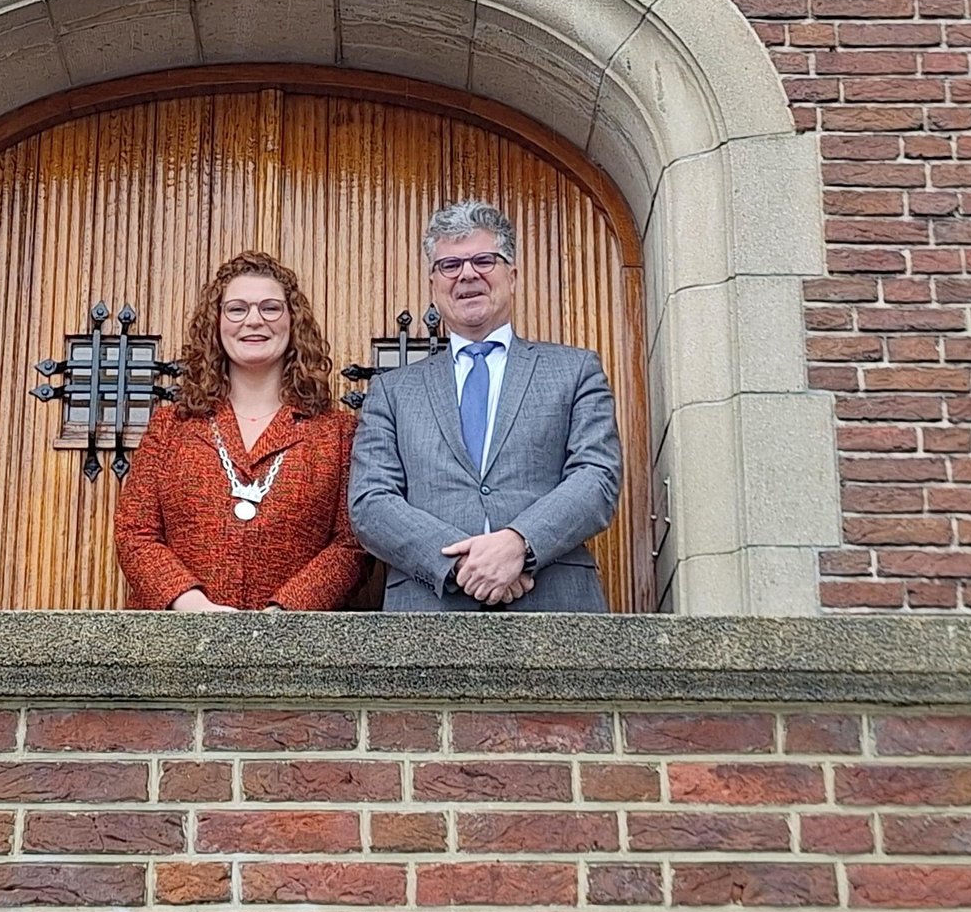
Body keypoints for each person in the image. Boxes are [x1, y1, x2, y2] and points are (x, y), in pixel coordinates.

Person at [348, 200, 623, 611]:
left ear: (512, 276)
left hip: (554, 605)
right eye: (450, 265)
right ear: (433, 284)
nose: (467, 274)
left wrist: (519, 544)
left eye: (483, 260)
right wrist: (465, 565)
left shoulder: (575, 370)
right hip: (430, 611)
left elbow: (597, 476)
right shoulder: (392, 391)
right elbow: (371, 503)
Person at [115, 251, 367, 611]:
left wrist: (284, 612)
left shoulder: (337, 434)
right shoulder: (170, 427)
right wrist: (192, 606)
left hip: (295, 638)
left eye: (270, 308)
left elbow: (351, 544)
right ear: (216, 323)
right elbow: (135, 531)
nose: (254, 320)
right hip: (177, 634)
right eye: (237, 309)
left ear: (293, 321)